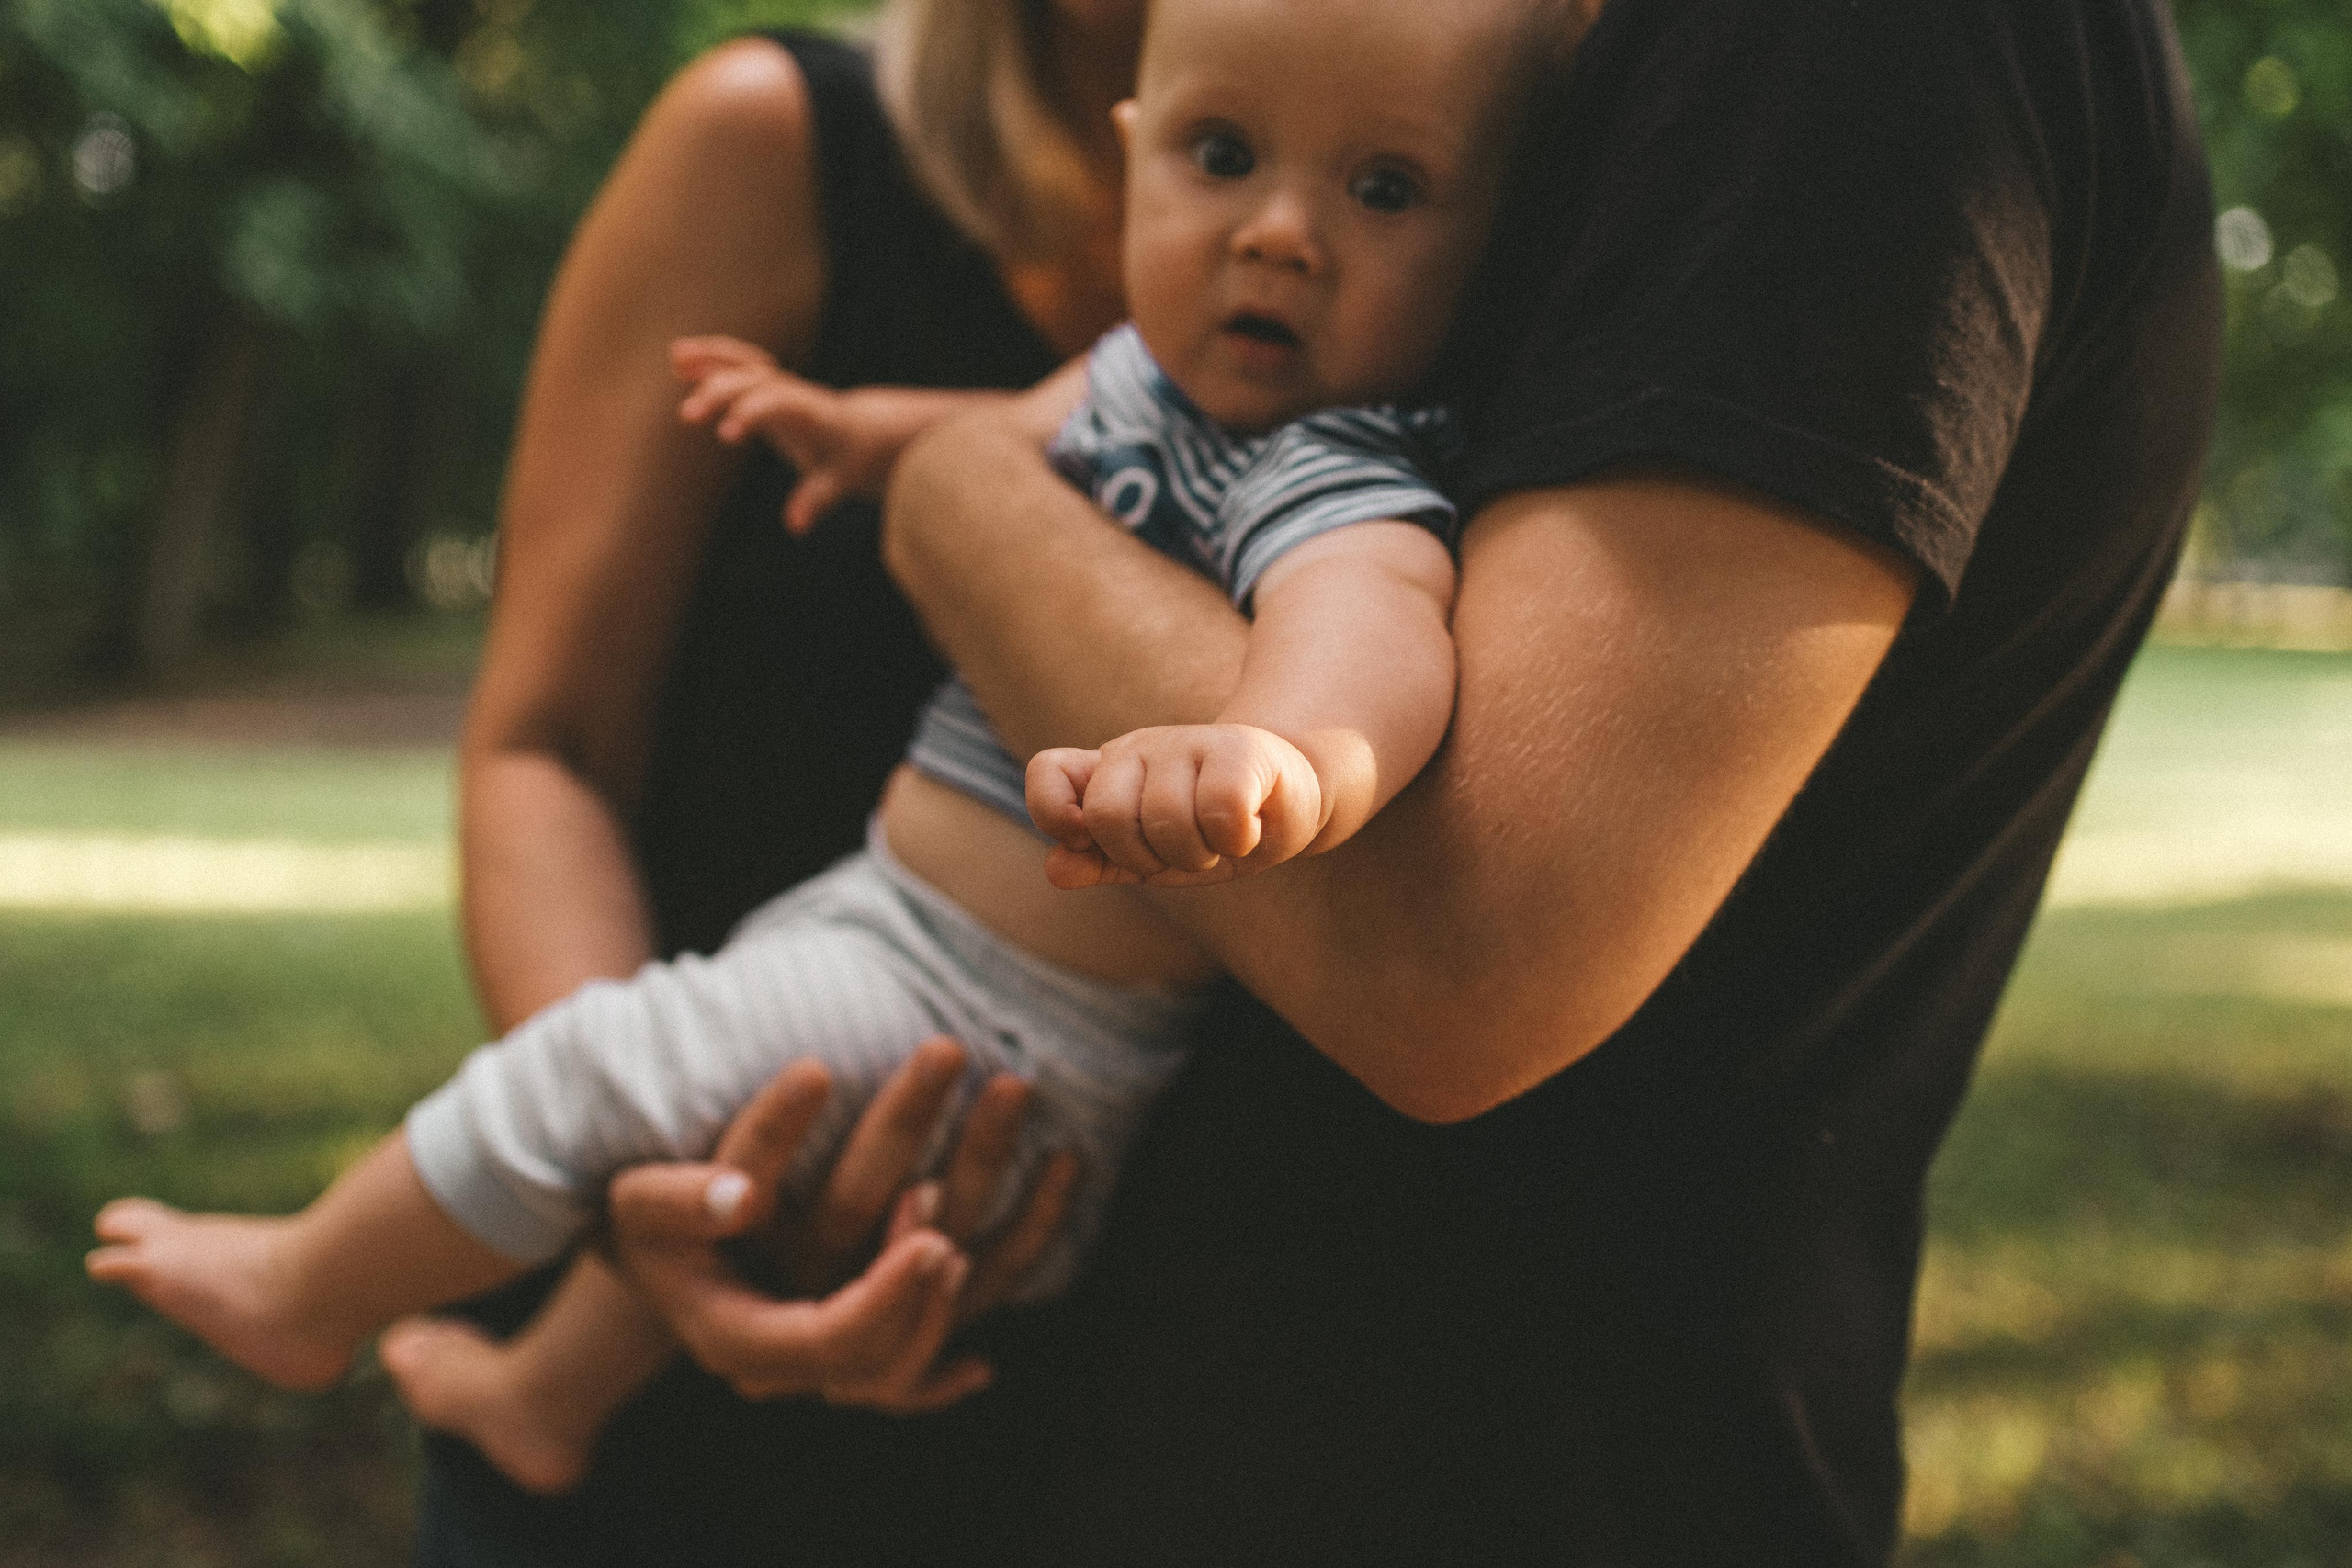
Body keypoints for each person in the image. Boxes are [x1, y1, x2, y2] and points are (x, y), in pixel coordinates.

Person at [588, 0, 2227, 1564]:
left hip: (1506, 1501)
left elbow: (1454, 946)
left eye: (1386, 190)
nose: (1283, 232)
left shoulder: (1840, 49)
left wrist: (959, 500)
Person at [86, 0, 1568, 1516]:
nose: (1281, 234)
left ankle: (307, 1289)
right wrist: (861, 436)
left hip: (1003, 1040)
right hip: (905, 960)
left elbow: (1371, 621)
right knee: (685, 1084)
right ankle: (544, 1398)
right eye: (1225, 157)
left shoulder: (1331, 462)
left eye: (1383, 189)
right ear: (1142, 156)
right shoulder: (1132, 359)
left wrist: (1284, 760)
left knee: (615, 1067)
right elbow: (1008, 432)